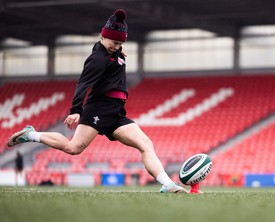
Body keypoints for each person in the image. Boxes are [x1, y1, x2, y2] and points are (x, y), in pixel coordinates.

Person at [7, 9, 188, 193]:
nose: (116, 46)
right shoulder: (97, 59)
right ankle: (31, 134)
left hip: (116, 114)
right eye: (114, 42)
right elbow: (83, 84)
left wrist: (116, 48)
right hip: (98, 110)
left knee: (146, 145)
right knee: (74, 148)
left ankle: (167, 184)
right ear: (104, 36)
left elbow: (111, 47)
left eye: (120, 43)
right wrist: (76, 110)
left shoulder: (114, 51)